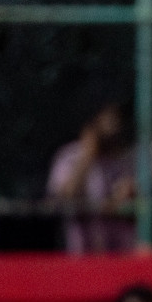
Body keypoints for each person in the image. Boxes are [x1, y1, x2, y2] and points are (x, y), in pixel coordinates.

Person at [48, 97, 139, 255]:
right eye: (107, 118)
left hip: (121, 253)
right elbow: (64, 197)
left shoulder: (128, 159)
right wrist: (87, 155)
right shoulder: (70, 156)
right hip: (82, 251)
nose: (113, 125)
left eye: (116, 118)